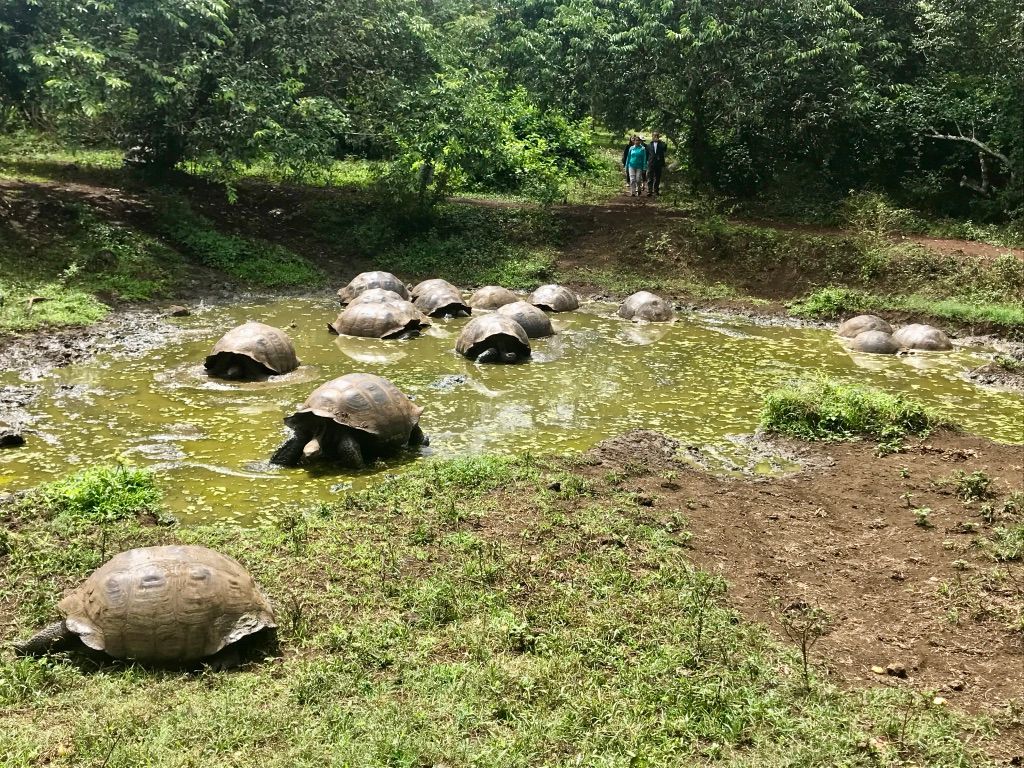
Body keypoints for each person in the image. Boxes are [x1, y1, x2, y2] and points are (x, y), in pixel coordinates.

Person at [646, 131, 667, 196]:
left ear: (658, 137)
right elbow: (647, 155)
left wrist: (661, 141)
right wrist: (647, 162)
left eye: (656, 136)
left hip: (659, 163)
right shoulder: (649, 145)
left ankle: (656, 191)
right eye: (654, 136)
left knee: (657, 177)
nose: (655, 137)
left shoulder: (661, 144)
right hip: (651, 163)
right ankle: (649, 191)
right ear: (652, 137)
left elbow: (665, 148)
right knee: (650, 177)